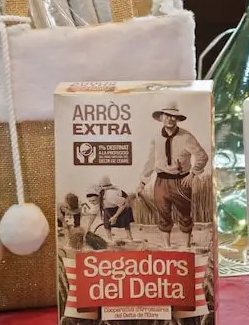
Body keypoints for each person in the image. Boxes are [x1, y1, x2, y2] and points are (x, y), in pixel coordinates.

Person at [137, 101, 210, 248]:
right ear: (161, 118)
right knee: (163, 214)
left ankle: (186, 247)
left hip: (180, 181)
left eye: (173, 116)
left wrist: (192, 174)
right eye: (166, 115)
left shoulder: (186, 136)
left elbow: (202, 156)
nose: (170, 119)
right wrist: (142, 182)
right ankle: (167, 247)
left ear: (177, 119)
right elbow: (150, 161)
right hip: (161, 181)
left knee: (185, 215)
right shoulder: (156, 137)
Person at [87, 176, 134, 243]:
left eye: (93, 200)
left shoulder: (110, 196)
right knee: (106, 221)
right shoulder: (98, 199)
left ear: (99, 195)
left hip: (123, 205)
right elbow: (93, 213)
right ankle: (110, 239)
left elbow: (123, 204)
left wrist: (115, 216)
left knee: (124, 221)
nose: (92, 203)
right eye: (90, 201)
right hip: (111, 206)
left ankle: (130, 238)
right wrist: (89, 226)